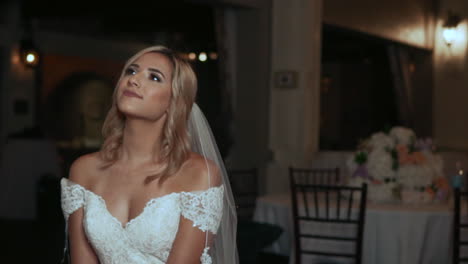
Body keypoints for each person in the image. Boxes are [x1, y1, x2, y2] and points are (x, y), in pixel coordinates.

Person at [60, 46, 238, 264]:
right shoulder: (84, 170)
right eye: (131, 71)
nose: (134, 80)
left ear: (174, 101)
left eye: (154, 77)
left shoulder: (199, 174)